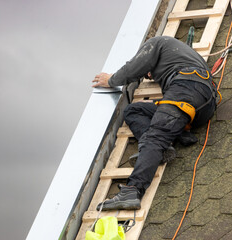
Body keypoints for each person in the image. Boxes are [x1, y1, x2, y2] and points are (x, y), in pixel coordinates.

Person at [92, 36, 217, 211]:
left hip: (186, 89)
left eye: (148, 73)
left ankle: (133, 190)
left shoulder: (157, 43)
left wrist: (111, 80)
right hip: (204, 105)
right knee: (133, 111)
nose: (148, 76)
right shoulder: (182, 56)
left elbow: (134, 67)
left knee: (155, 136)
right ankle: (172, 138)